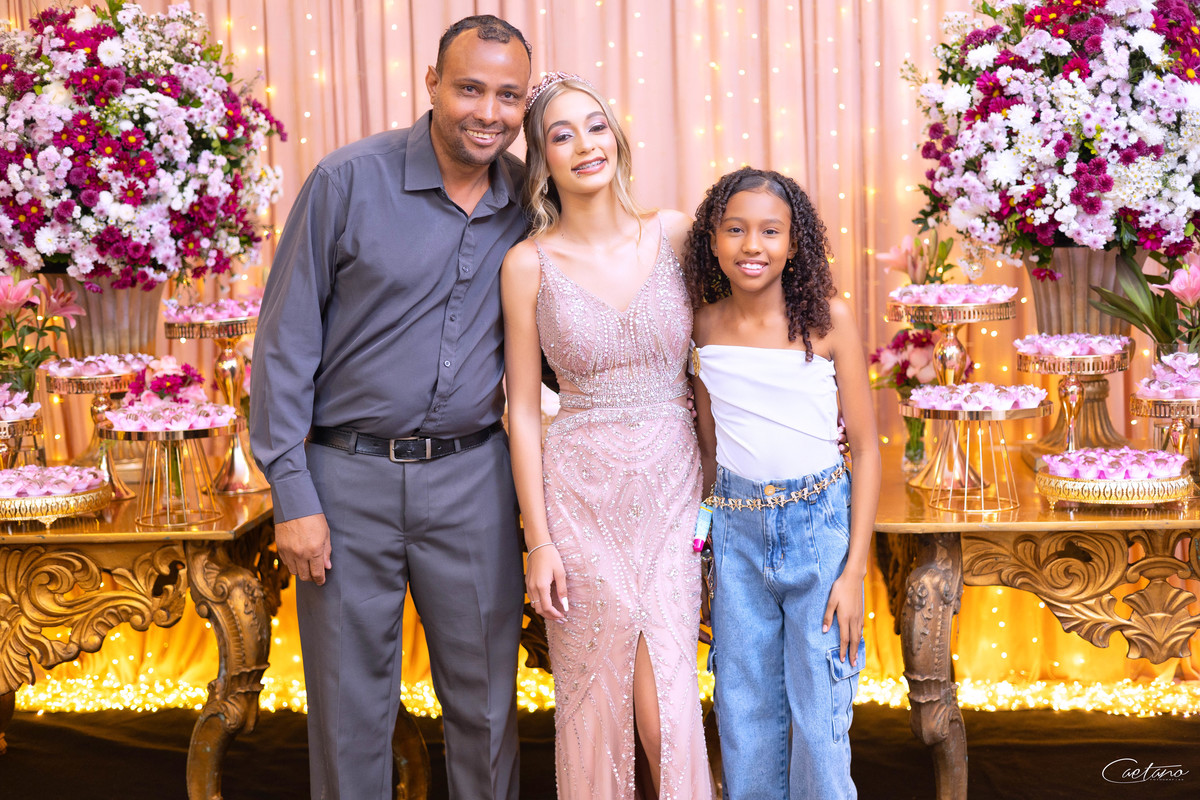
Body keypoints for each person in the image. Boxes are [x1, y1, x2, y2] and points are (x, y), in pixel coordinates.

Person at [249, 16, 533, 800]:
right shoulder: (347, 181)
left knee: (486, 709)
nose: (489, 112)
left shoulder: (530, 199)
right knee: (349, 712)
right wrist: (292, 492)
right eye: (470, 88)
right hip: (346, 482)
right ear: (431, 84)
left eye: (508, 96)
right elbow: (284, 343)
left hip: (475, 479)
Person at [501, 74, 714, 799]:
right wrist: (540, 542)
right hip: (580, 503)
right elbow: (522, 411)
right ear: (543, 161)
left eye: (595, 126)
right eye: (562, 135)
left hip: (673, 492)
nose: (585, 145)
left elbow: (716, 362)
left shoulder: (676, 233)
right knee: (597, 701)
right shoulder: (527, 264)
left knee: (664, 712)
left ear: (617, 137)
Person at [684, 167, 881, 799]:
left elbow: (867, 451)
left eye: (770, 231)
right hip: (736, 534)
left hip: (819, 533)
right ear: (713, 240)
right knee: (744, 714)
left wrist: (853, 574)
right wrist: (704, 547)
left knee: (820, 715)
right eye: (735, 230)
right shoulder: (702, 326)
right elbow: (709, 449)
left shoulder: (829, 321)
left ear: (795, 244)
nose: (752, 245)